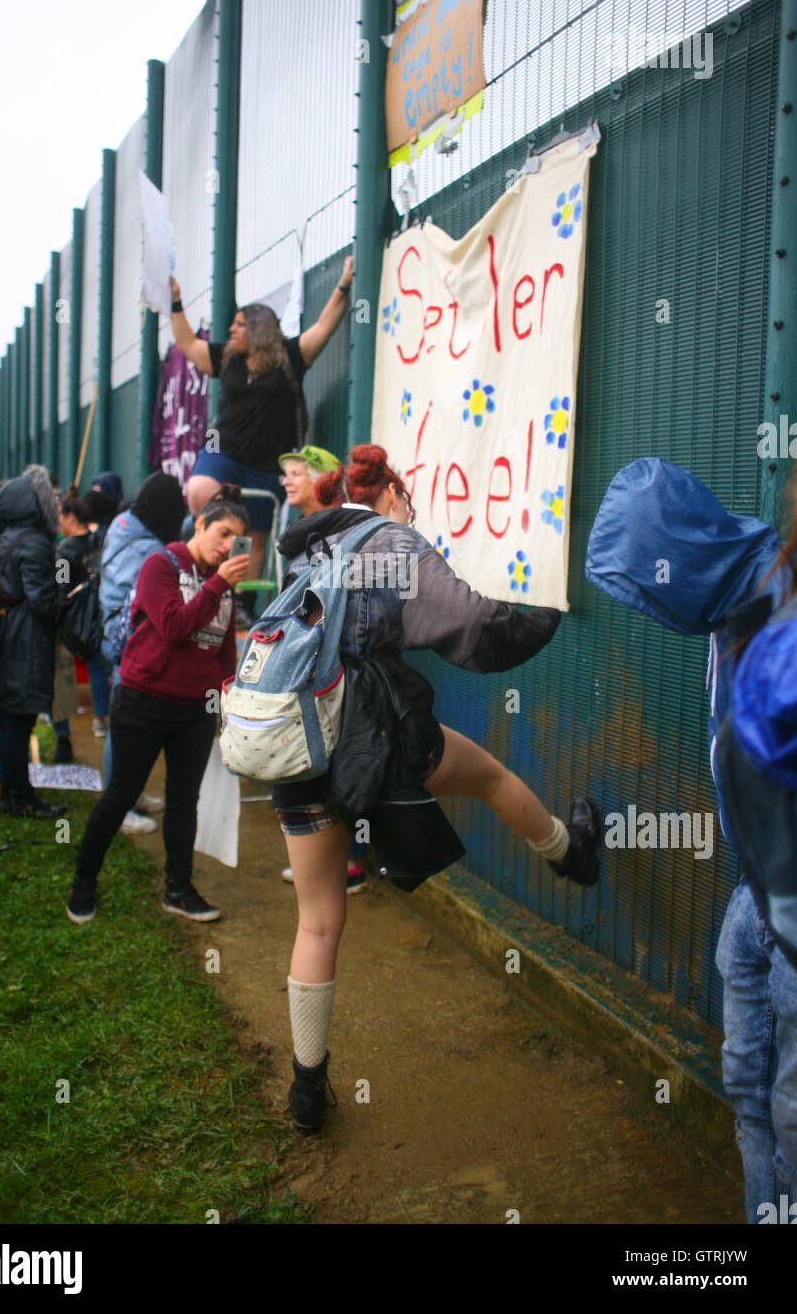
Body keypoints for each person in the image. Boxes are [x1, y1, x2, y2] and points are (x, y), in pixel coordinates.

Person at [265, 445, 601, 1135]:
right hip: (373, 745)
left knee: (318, 921)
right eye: (409, 497)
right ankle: (571, 854)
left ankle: (305, 1091)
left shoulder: (307, 548)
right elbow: (469, 622)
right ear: (389, 492)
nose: (414, 510)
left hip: (299, 749)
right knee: (491, 775)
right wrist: (546, 614)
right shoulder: (391, 539)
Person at [585, 456, 797, 1224]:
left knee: (787, 1108)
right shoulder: (733, 597)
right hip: (757, 888)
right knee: (748, 1084)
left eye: (647, 586)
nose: (648, 608)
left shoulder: (780, 605)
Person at [66, 493, 251, 924]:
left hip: (195, 709)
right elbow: (173, 627)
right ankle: (83, 881)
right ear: (200, 524)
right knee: (121, 795)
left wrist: (226, 696)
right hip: (143, 700)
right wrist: (220, 583)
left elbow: (223, 644)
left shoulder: (220, 582)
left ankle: (178, 889)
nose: (227, 546)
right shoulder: (160, 565)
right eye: (223, 533)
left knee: (185, 800)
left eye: (238, 541)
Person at [168, 256, 354, 591]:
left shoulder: (291, 357)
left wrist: (343, 284)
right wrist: (175, 302)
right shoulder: (227, 359)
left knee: (254, 537)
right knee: (198, 489)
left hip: (267, 465)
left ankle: (236, 604)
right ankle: (201, 545)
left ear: (258, 328)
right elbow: (186, 343)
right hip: (224, 455)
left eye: (239, 324)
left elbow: (324, 325)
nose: (231, 330)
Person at [273, 444, 372, 894]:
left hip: (345, 665)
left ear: (324, 479)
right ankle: (320, 859)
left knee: (341, 758)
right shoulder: (298, 528)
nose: (287, 481)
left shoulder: (343, 527)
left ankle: (351, 860)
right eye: (285, 474)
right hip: (309, 664)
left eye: (297, 473)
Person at [96, 470, 189, 833]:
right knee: (125, 728)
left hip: (112, 637)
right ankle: (116, 806)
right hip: (130, 643)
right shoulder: (149, 550)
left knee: (128, 724)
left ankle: (129, 795)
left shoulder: (123, 524)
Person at [0, 464, 65, 818]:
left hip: (8, 638)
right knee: (19, 719)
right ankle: (20, 797)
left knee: (8, 719)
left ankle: (8, 787)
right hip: (25, 643)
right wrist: (64, 597)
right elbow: (43, 602)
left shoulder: (11, 534)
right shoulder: (34, 542)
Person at [52, 489, 107, 760]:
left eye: (61, 515)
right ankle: (101, 719)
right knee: (96, 665)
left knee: (63, 675)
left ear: (70, 517)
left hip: (73, 618)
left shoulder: (64, 550)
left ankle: (62, 733)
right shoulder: (99, 541)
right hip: (98, 612)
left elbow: (61, 585)